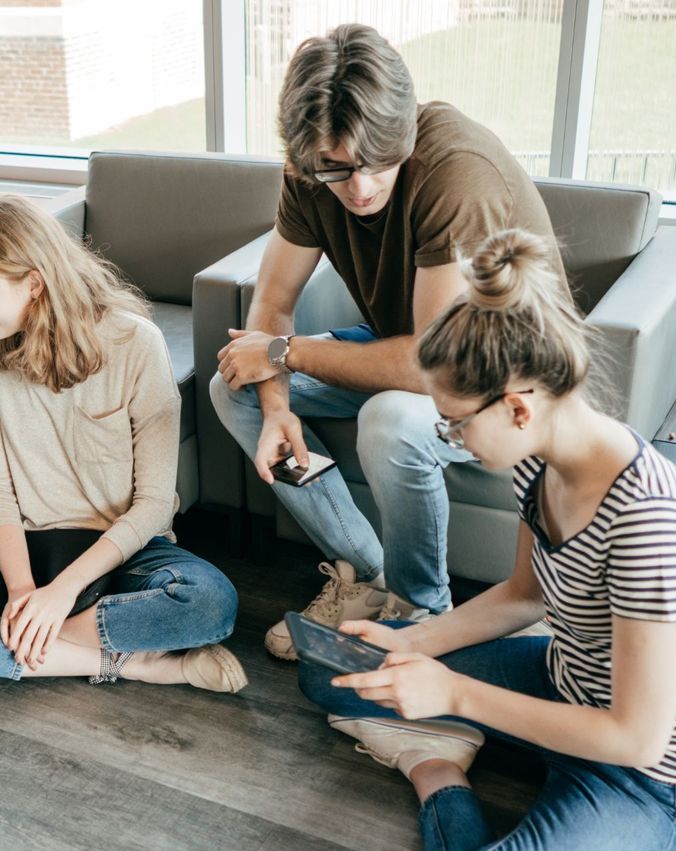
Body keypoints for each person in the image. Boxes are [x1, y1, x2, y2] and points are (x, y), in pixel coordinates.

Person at [299, 230, 676, 851]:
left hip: (645, 775)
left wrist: (455, 694)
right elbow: (524, 597)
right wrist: (413, 643)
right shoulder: (539, 467)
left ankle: (436, 770)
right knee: (332, 668)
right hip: (562, 682)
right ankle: (445, 724)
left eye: (457, 422)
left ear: (519, 406)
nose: (453, 438)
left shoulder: (651, 522)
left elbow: (636, 739)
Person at [209, 23, 566, 662]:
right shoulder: (309, 167)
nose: (361, 187)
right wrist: (277, 407)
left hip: (502, 375)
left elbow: (435, 365)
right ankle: (371, 577)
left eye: (379, 162)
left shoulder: (458, 172)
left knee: (392, 419)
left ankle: (421, 610)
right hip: (404, 347)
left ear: (403, 133)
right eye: (338, 169)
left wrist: (284, 354)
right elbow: (272, 306)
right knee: (233, 383)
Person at [0, 196, 246, 693]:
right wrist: (25, 590)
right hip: (24, 553)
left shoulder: (136, 343)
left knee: (209, 602)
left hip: (120, 552)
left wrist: (60, 596)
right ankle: (131, 663)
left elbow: (155, 503)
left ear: (34, 281)